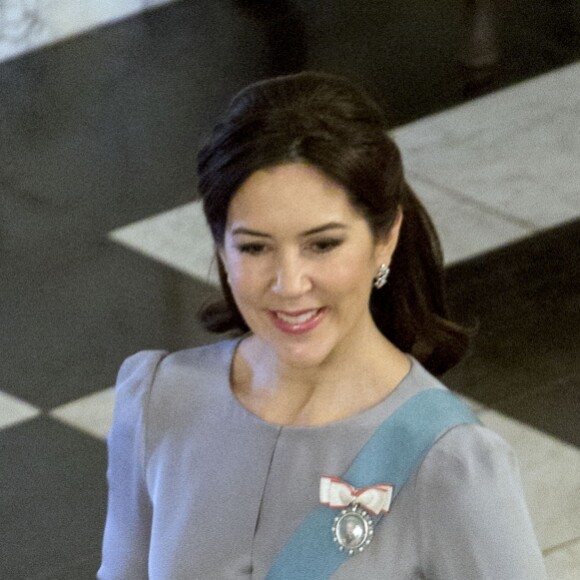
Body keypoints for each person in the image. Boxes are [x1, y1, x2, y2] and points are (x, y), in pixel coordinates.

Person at [98, 72, 547, 579]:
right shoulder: (159, 400)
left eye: (323, 244)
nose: (289, 283)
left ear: (385, 237)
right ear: (221, 247)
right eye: (254, 247)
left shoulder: (451, 462)